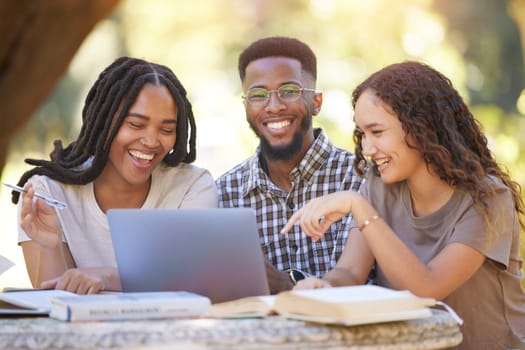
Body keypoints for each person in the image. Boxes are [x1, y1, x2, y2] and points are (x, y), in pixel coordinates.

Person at [281, 61, 525, 349]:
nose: (367, 149)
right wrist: (325, 287)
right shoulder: (380, 186)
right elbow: (350, 272)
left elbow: (428, 288)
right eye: (362, 134)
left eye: (377, 132)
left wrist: (358, 206)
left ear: (420, 128)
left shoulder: (488, 198)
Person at [12, 56, 218, 294]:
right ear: (103, 122)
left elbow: (192, 279)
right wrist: (51, 245)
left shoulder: (192, 188)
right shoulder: (47, 192)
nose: (151, 141)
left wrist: (106, 276)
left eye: (166, 130)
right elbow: (56, 306)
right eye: (136, 125)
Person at [216, 37, 364, 293]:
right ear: (246, 106)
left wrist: (287, 285)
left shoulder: (359, 178)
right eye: (258, 95)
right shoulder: (223, 195)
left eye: (289, 91)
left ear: (316, 102)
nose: (274, 107)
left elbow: (358, 276)